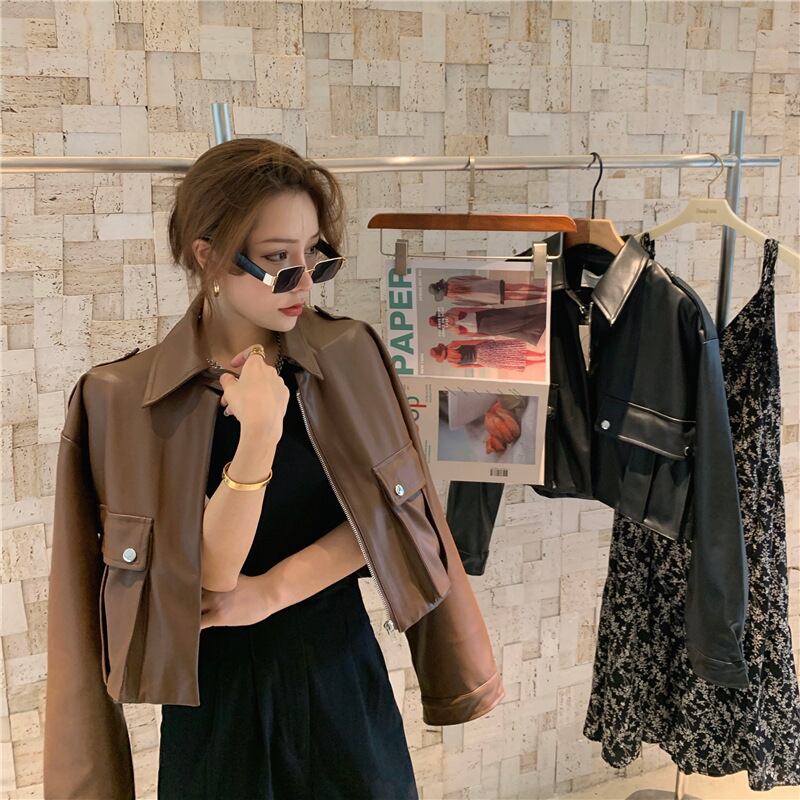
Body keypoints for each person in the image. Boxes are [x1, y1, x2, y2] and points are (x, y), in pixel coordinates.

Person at [42, 139, 505, 800]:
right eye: (276, 260)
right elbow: (210, 577)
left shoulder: (349, 354)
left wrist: (272, 592)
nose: (304, 282)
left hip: (342, 676)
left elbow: (395, 521)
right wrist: (258, 435)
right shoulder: (121, 399)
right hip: (217, 703)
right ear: (208, 257)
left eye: (313, 254)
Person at [428, 303, 547, 346]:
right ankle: (541, 321)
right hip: (486, 326)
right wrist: (489, 335)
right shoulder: (453, 327)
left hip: (486, 319)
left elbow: (472, 309)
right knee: (516, 324)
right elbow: (474, 334)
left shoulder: (453, 312)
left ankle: (542, 316)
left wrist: (490, 309)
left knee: (516, 318)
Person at [430, 339, 545, 372]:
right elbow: (472, 342)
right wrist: (486, 340)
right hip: (482, 349)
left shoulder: (453, 364)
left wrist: (485, 364)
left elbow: (473, 366)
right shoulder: (452, 345)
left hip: (482, 360)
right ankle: (540, 355)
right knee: (514, 350)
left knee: (514, 361)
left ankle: (540, 361)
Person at [428, 274, 546, 305]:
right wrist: (483, 279)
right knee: (513, 286)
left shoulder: (452, 297)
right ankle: (542, 289)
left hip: (486, 297)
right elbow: (471, 277)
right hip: (485, 284)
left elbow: (471, 303)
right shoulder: (451, 280)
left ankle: (541, 296)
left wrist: (484, 303)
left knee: (513, 296)